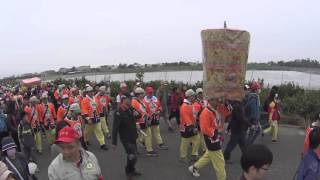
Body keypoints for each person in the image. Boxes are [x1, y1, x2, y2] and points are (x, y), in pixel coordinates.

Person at [188, 97, 226, 180]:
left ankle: (194, 167)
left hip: (214, 137)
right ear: (210, 100)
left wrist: (218, 133)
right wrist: (216, 135)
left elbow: (224, 115)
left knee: (208, 155)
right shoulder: (206, 112)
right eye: (216, 99)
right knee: (219, 161)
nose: (219, 100)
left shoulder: (214, 109)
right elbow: (205, 129)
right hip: (211, 139)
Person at [112, 93, 142, 180]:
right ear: (124, 99)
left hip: (133, 136)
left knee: (133, 156)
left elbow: (138, 116)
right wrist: (114, 142)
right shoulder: (119, 111)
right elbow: (115, 128)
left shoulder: (130, 108)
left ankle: (132, 169)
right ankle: (128, 171)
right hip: (125, 138)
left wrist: (138, 114)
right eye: (130, 99)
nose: (131, 100)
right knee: (133, 155)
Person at [131, 87, 157, 157]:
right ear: (139, 94)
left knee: (144, 135)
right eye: (142, 93)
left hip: (144, 121)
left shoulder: (141, 100)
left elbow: (145, 110)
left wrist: (148, 118)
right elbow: (134, 114)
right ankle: (148, 150)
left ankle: (144, 149)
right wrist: (137, 123)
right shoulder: (134, 102)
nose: (144, 94)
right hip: (140, 122)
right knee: (143, 136)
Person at [81, 86, 108, 150]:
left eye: (91, 91)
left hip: (96, 117)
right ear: (87, 92)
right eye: (89, 91)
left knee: (99, 130)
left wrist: (103, 109)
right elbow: (84, 110)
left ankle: (102, 144)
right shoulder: (84, 100)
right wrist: (88, 118)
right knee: (87, 131)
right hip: (89, 119)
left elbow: (98, 106)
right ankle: (86, 140)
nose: (91, 93)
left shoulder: (95, 98)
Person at [179, 89, 200, 164]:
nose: (195, 97)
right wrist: (192, 128)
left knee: (197, 139)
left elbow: (193, 115)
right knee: (185, 142)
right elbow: (186, 118)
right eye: (194, 96)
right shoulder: (185, 106)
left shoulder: (190, 104)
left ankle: (194, 154)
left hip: (191, 126)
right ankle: (183, 157)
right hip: (186, 127)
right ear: (190, 97)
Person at [144, 86, 168, 150]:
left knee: (157, 132)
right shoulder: (144, 100)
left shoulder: (155, 98)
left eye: (151, 92)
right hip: (148, 119)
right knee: (148, 134)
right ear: (146, 92)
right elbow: (143, 110)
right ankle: (146, 145)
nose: (151, 93)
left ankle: (160, 144)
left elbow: (160, 106)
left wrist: (159, 111)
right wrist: (148, 114)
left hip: (155, 118)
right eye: (149, 92)